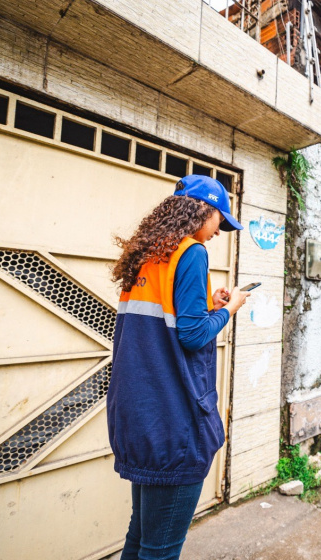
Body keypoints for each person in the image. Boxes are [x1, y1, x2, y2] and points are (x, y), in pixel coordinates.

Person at [107, 175, 250, 560]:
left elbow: (169, 321)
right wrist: (231, 310)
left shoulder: (150, 254)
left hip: (140, 417)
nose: (220, 230)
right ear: (202, 210)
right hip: (173, 422)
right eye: (221, 219)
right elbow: (190, 336)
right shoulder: (193, 252)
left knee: (140, 538)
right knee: (160, 551)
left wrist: (210, 302)